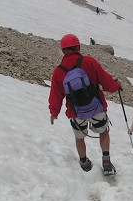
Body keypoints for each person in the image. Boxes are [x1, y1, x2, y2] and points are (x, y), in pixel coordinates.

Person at [49, 33, 121, 174]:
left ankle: (84, 163)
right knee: (103, 132)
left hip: (75, 112)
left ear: (63, 50)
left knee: (79, 137)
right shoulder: (89, 62)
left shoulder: (58, 72)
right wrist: (116, 85)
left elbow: (56, 95)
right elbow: (106, 82)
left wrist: (54, 112)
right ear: (78, 47)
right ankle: (106, 161)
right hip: (96, 107)